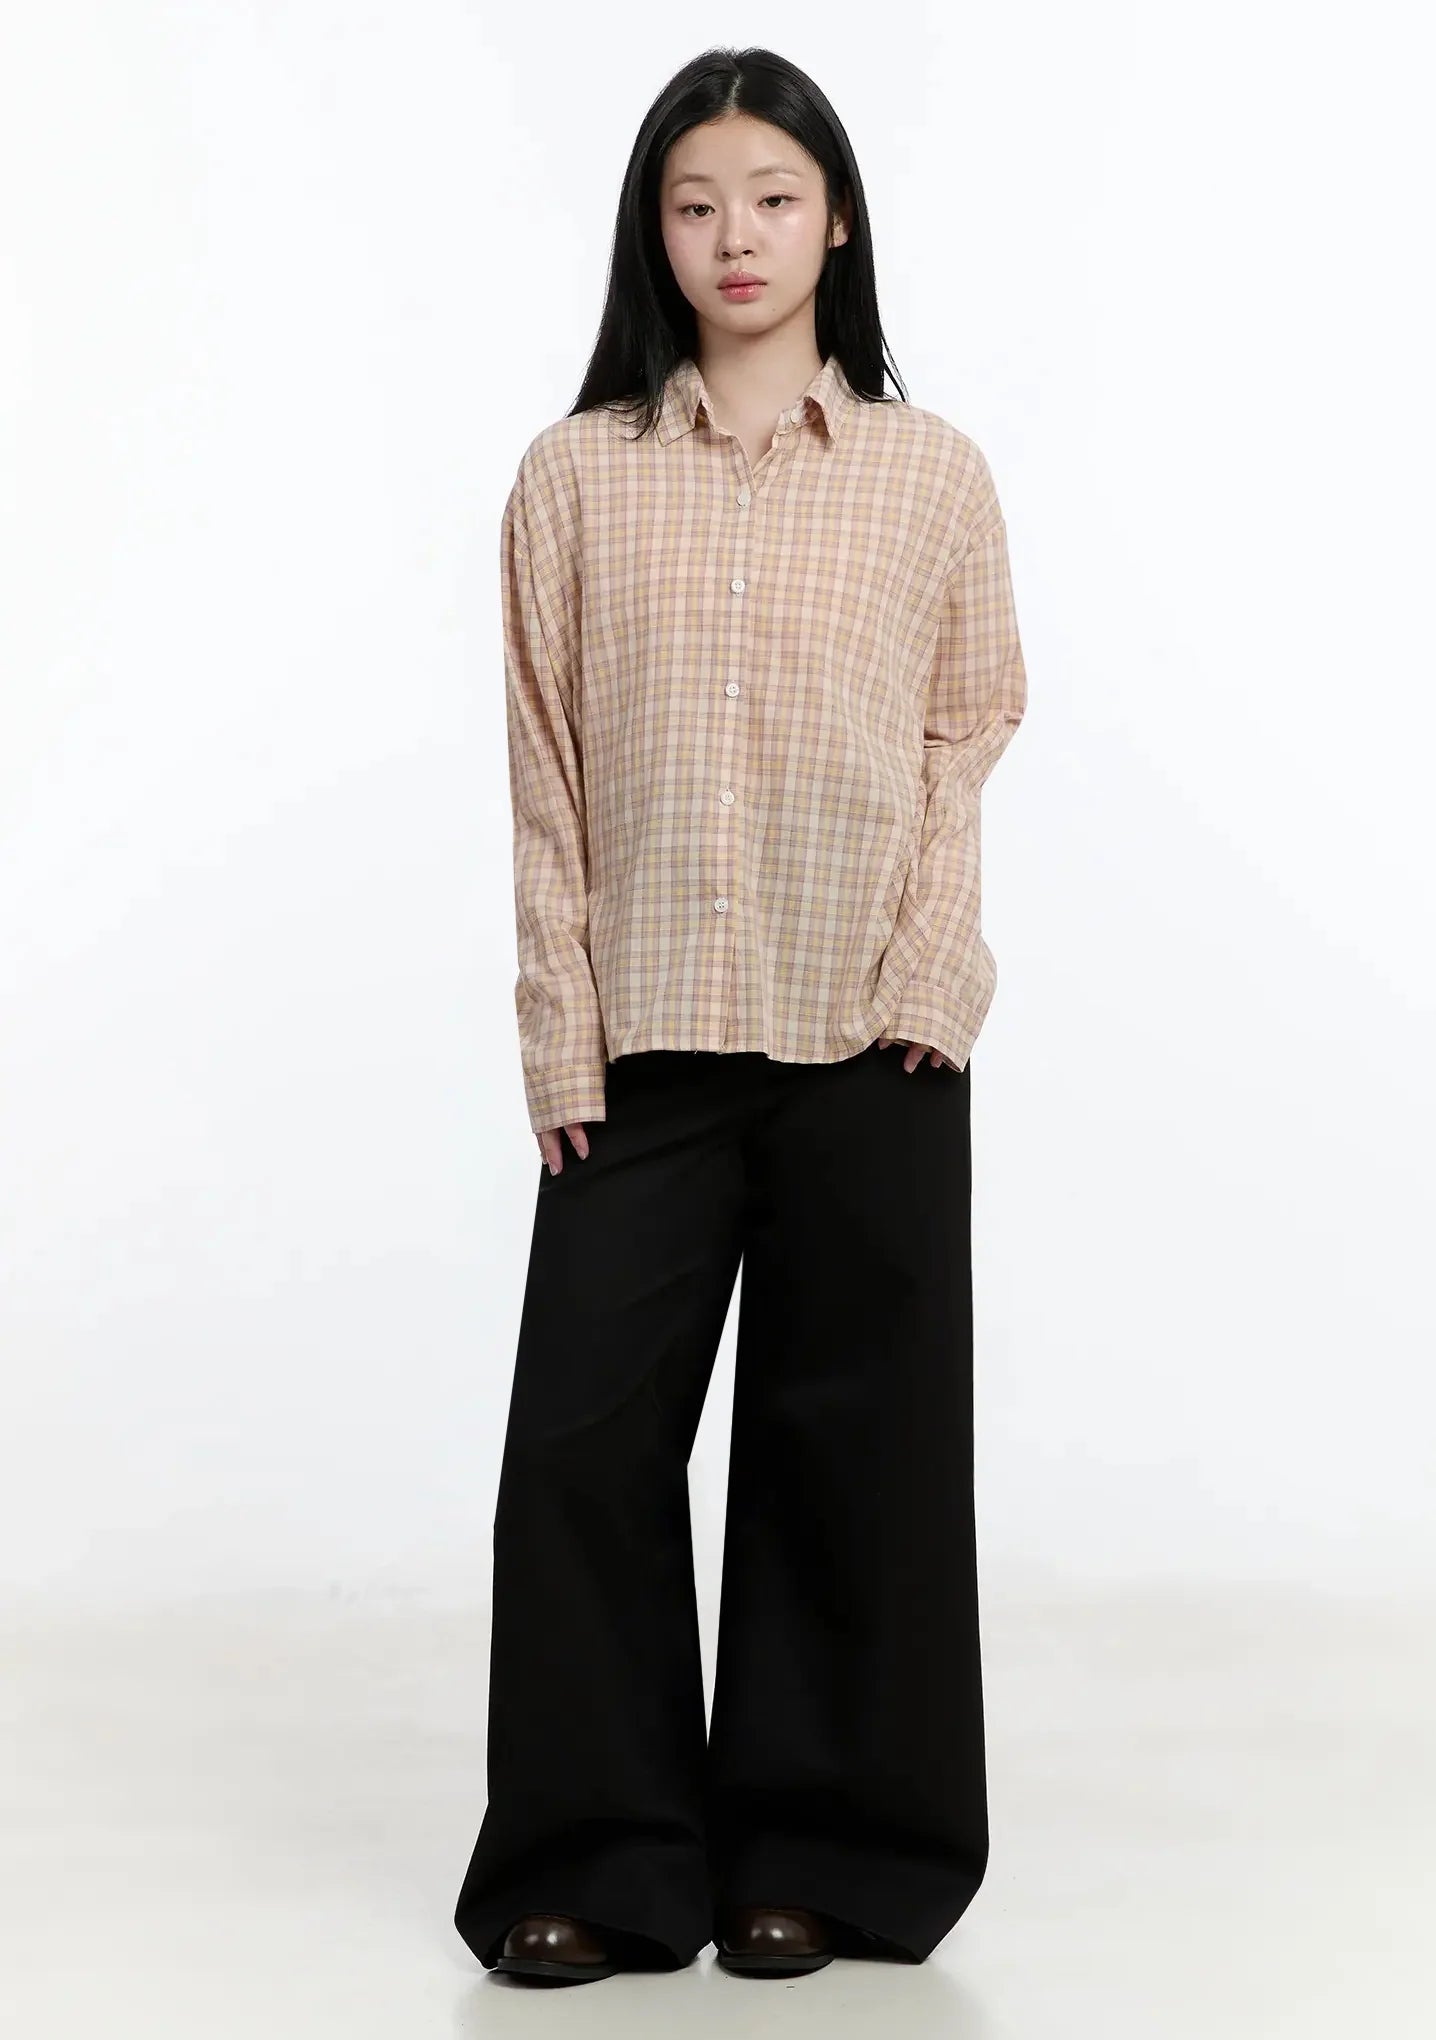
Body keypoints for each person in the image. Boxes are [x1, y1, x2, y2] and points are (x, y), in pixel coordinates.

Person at [453, 43, 1028, 1987]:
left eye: (772, 198)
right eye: (696, 204)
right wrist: (560, 1026)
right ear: (656, 232)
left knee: (851, 1452)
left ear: (836, 219)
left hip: (875, 1029)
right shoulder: (572, 478)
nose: (736, 237)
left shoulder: (933, 477)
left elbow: (967, 735)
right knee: (584, 1455)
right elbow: (544, 775)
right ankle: (600, 1862)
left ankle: (825, 1859)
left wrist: (936, 975)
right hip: (650, 1035)